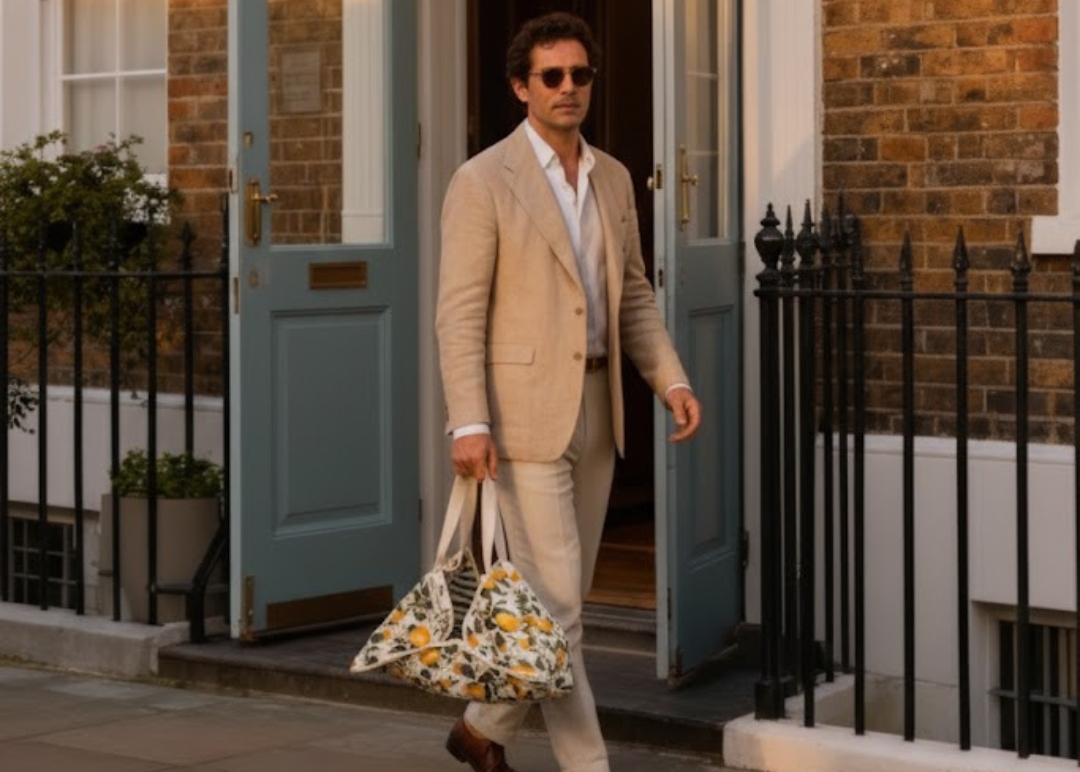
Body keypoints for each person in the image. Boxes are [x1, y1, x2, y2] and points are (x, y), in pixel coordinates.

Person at [436, 12, 701, 772]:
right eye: (551, 76)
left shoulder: (613, 177)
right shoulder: (482, 180)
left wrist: (670, 378)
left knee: (560, 602)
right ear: (521, 87)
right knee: (558, 610)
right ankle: (588, 764)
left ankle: (482, 728)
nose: (568, 87)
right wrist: (468, 421)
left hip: (597, 409)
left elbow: (633, 295)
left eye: (580, 74)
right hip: (520, 418)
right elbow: (459, 313)